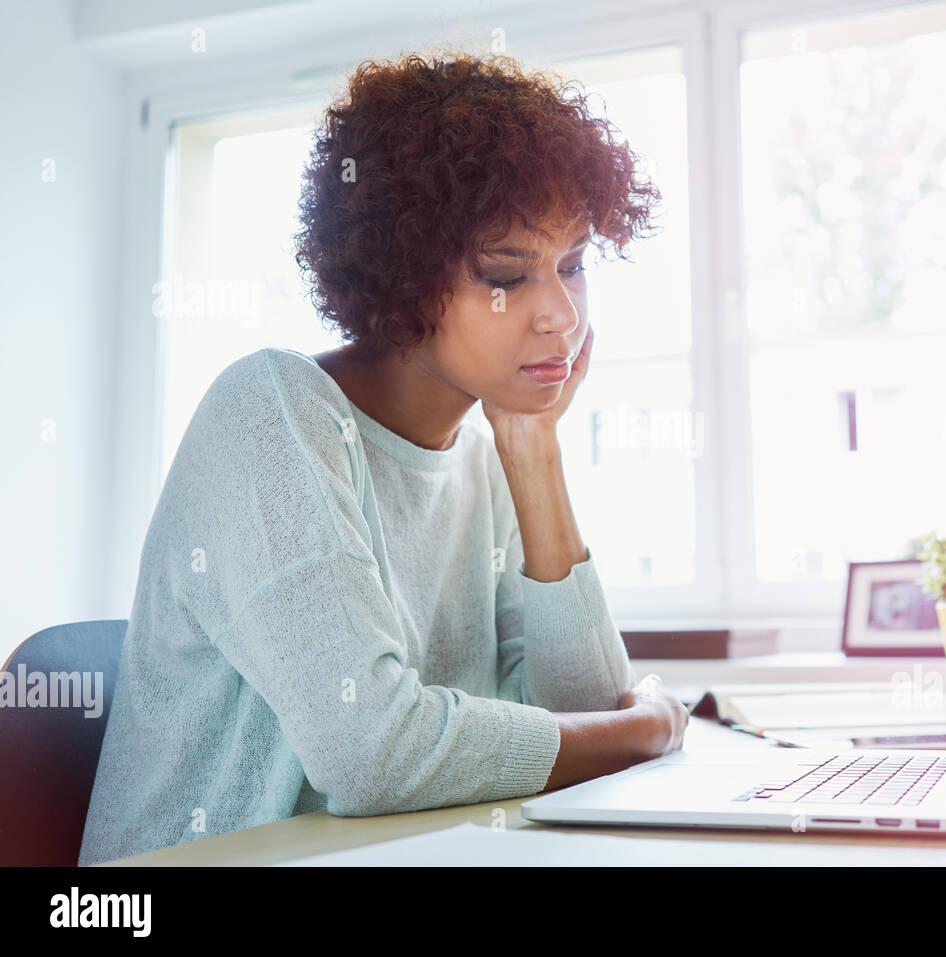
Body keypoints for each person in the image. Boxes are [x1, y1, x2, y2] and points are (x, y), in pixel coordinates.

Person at [78, 48, 688, 866]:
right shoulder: (271, 412)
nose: (560, 315)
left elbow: (583, 718)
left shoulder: (481, 458)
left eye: (573, 264)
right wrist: (642, 727)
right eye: (507, 274)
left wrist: (532, 445)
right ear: (402, 278)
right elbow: (372, 752)